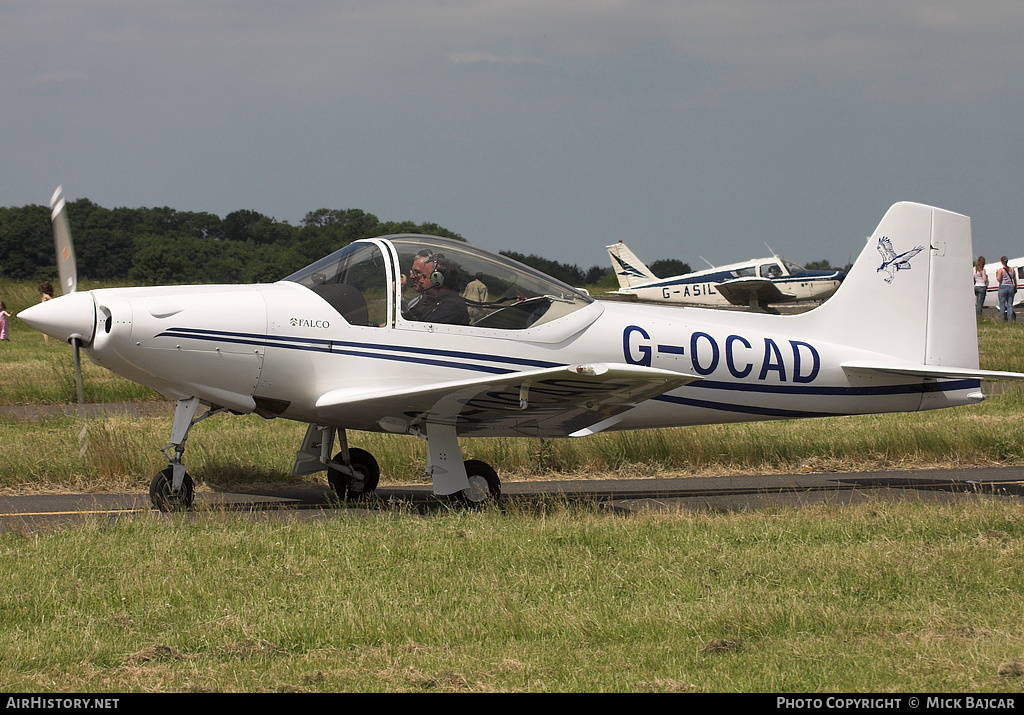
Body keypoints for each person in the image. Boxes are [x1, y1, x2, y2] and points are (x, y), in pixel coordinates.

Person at [402, 252, 470, 325]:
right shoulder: (429, 300)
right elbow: (407, 318)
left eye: (424, 277)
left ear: (437, 280)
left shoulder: (453, 308)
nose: (421, 280)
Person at [995, 256, 1016, 323]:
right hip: (1010, 287)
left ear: (1002, 262)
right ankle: (1010, 320)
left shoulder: (1001, 270)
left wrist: (997, 274)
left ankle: (1002, 319)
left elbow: (998, 279)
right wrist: (1015, 287)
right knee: (1010, 304)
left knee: (1002, 304)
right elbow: (1014, 279)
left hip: (1003, 287)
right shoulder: (1012, 269)